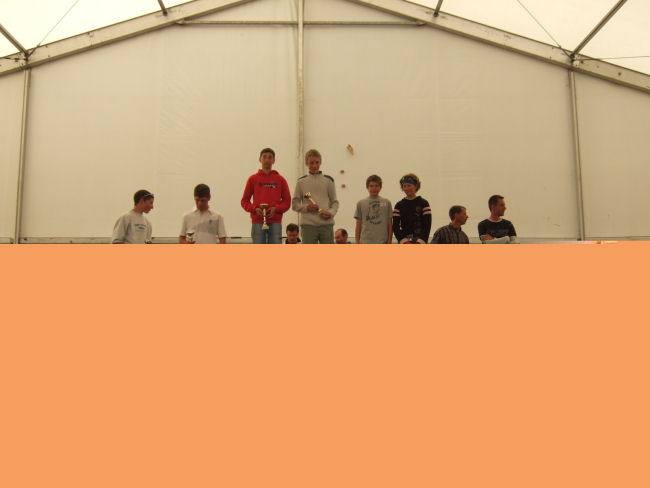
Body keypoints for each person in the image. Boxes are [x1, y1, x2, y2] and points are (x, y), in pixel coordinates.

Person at [241, 148, 291, 244]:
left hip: (275, 221)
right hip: (257, 221)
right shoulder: (252, 179)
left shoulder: (281, 180)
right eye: (264, 157)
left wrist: (276, 209)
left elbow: (287, 202)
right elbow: (244, 201)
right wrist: (254, 209)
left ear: (274, 160)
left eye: (270, 157)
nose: (267, 159)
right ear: (260, 159)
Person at [292, 149, 339, 244]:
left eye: (317, 162)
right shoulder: (300, 182)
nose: (314, 165)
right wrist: (307, 208)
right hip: (308, 225)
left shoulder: (329, 180)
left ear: (320, 162)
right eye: (311, 163)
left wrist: (330, 213)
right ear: (306, 163)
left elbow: (334, 202)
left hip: (326, 224)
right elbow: (294, 205)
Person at [392, 173, 431, 244]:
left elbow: (427, 225)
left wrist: (420, 242)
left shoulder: (424, 203)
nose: (407, 188)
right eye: (404, 186)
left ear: (416, 186)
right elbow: (395, 226)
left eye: (409, 185)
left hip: (420, 241)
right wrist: (404, 241)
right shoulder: (398, 205)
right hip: (404, 242)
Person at [354, 174, 393, 244]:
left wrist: (389, 241)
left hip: (382, 242)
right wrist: (357, 242)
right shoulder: (361, 203)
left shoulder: (387, 203)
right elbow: (358, 225)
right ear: (367, 187)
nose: (374, 188)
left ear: (380, 187)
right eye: (371, 186)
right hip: (365, 242)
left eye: (376, 186)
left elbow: (390, 224)